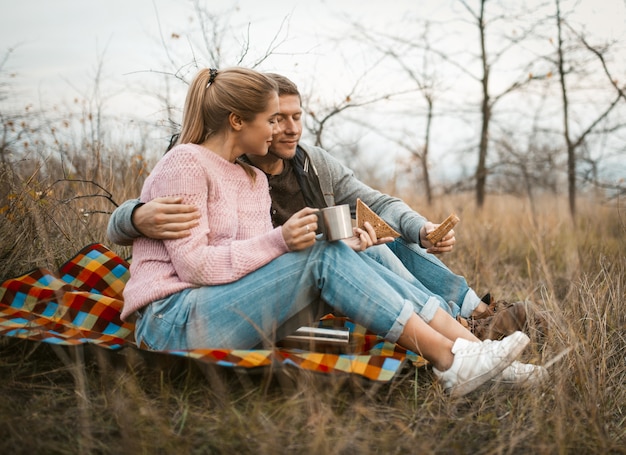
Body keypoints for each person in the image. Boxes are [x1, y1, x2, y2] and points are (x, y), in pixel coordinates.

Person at [120, 66, 542, 398]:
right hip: (172, 320)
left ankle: (475, 354)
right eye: (271, 119)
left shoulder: (249, 177)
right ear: (236, 120)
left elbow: (255, 261)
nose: (281, 130)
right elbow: (195, 267)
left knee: (344, 249)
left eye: (289, 118)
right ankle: (453, 362)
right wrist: (285, 240)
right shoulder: (186, 163)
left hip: (225, 307)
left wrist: (341, 245)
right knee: (325, 255)